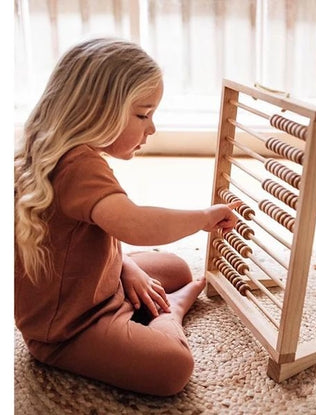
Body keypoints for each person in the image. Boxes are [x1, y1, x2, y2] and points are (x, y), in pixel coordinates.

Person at [14, 37, 240, 396]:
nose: (151, 128)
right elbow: (133, 224)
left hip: (93, 286)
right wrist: (201, 218)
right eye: (142, 114)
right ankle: (171, 314)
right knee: (172, 367)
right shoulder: (79, 168)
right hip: (70, 328)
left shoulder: (56, 152)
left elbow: (81, 242)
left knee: (177, 269)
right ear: (95, 110)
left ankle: (140, 295)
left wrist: (126, 268)